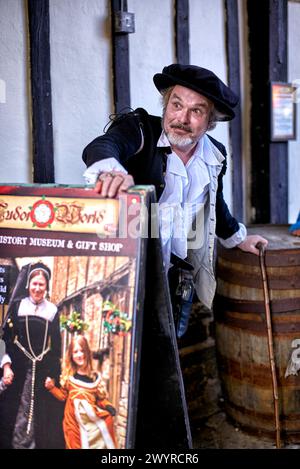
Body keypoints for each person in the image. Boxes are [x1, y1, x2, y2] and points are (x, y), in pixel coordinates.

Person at [82, 63, 268, 331]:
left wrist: (238, 238)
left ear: (209, 121)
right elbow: (102, 146)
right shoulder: (141, 129)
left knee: (168, 348)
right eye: (177, 105)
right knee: (123, 348)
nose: (182, 118)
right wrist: (111, 171)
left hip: (175, 275)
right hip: (127, 274)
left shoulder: (215, 155)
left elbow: (216, 204)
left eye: (196, 111)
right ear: (166, 105)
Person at [0, 262, 64, 449]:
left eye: (41, 284)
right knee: (13, 411)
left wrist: (52, 375)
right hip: (18, 367)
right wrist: (6, 366)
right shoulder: (18, 306)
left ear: (46, 287)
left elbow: (56, 347)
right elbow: (5, 339)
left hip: (41, 369)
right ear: (28, 284)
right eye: (34, 284)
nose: (37, 288)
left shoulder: (52, 310)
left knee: (41, 414)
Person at [45, 334, 117, 449]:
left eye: (82, 351)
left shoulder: (94, 378)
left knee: (105, 425)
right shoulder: (69, 377)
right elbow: (63, 396)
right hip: (73, 425)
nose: (79, 355)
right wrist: (52, 388)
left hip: (90, 424)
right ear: (71, 355)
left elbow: (99, 400)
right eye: (75, 352)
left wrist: (107, 405)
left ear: (87, 352)